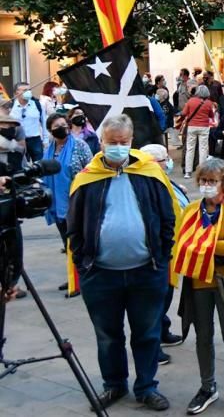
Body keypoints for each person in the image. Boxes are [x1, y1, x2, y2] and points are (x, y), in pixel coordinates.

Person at [66, 115, 174, 411]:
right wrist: (82, 261)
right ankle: (114, 384)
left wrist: (162, 257)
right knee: (108, 336)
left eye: (123, 143)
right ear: (101, 143)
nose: (117, 147)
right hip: (101, 275)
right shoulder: (87, 178)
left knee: (147, 333)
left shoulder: (150, 173)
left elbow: (167, 217)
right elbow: (73, 225)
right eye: (112, 143)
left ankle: (147, 387)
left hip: (146, 271)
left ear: (131, 142)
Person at [175, 158, 224, 416]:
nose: (207, 185)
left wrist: (198, 243)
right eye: (203, 181)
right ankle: (208, 387)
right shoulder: (191, 209)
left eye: (212, 181)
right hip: (198, 280)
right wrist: (214, 242)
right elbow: (181, 244)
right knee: (202, 336)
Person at [140, 143, 189, 355]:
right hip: (158, 253)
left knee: (164, 297)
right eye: (164, 159)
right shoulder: (147, 186)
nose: (169, 162)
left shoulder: (164, 181)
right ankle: (153, 348)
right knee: (154, 302)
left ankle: (163, 331)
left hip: (173, 249)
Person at [43, 114, 93, 262]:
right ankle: (72, 274)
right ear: (50, 130)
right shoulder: (48, 149)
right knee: (66, 240)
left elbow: (90, 168)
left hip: (76, 199)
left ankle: (83, 272)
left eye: (64, 125)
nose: (62, 129)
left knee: (79, 239)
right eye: (57, 127)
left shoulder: (79, 145)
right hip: (56, 202)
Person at [181, 85, 217, 178]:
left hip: (192, 126)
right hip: (204, 127)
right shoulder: (209, 103)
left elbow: (184, 113)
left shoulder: (191, 101)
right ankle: (202, 172)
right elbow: (211, 115)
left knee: (190, 149)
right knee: (203, 149)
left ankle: (188, 172)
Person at [11, 82, 46, 161]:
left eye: (29, 90)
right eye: (25, 90)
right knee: (21, 165)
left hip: (35, 139)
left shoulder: (37, 105)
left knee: (39, 165)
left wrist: (45, 139)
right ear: (17, 92)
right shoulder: (11, 107)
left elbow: (44, 122)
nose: (28, 92)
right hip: (18, 140)